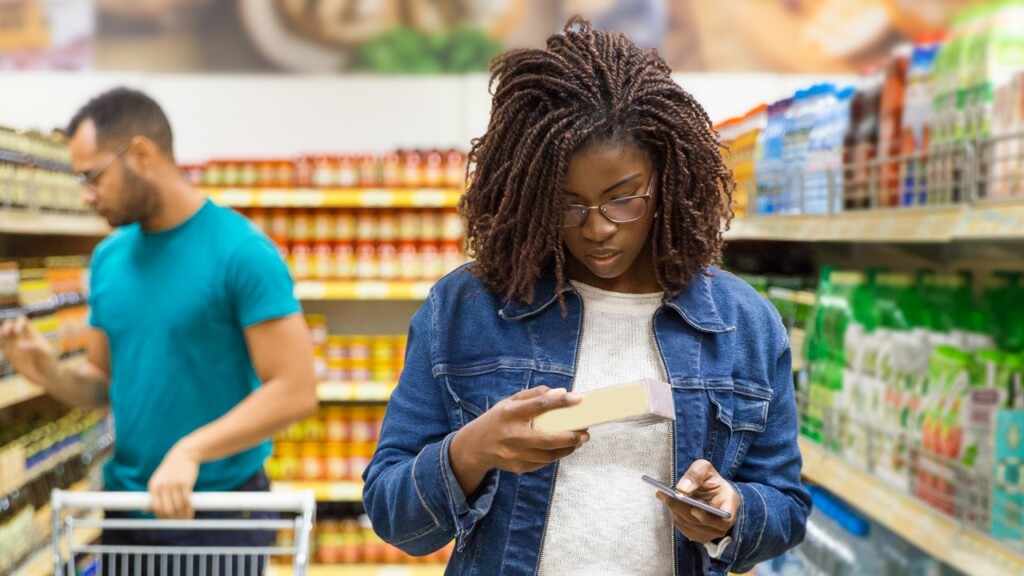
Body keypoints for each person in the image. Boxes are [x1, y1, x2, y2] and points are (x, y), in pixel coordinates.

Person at [363, 18, 810, 576]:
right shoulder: (466, 308)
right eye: (567, 203)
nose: (596, 228)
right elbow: (392, 516)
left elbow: (786, 509)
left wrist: (733, 512)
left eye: (623, 199)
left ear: (667, 180)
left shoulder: (744, 324)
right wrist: (470, 451)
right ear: (524, 191)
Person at [0, 88, 317, 547]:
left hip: (218, 511)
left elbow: (295, 390)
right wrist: (47, 371)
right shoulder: (107, 259)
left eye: (92, 177)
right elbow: (102, 383)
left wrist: (192, 450)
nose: (86, 196)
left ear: (141, 154)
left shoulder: (241, 251)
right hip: (125, 508)